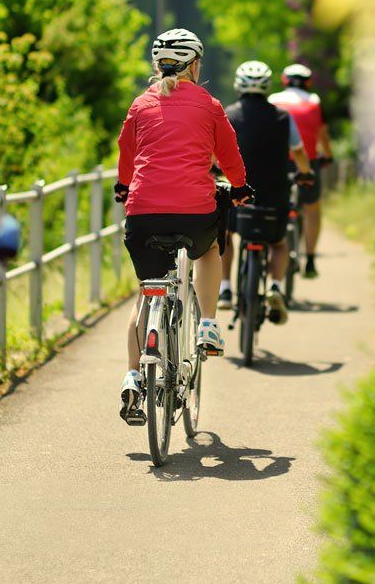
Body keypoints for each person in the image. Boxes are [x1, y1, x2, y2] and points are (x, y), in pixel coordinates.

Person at [113, 28, 252, 425]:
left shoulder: (141, 104)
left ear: (158, 66)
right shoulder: (209, 104)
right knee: (209, 250)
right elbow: (229, 155)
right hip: (194, 211)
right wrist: (240, 187)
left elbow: (127, 154)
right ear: (194, 65)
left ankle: (133, 375)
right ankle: (207, 324)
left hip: (143, 214)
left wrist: (124, 186)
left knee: (147, 292)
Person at [218, 61, 316, 321]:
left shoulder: (229, 115)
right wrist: (306, 173)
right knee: (279, 242)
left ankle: (225, 289)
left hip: (238, 192)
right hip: (274, 192)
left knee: (225, 235)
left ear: (238, 86)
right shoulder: (283, 117)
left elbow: (216, 151)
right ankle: (275, 286)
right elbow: (298, 152)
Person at [268, 63, 334, 278]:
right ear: (308, 82)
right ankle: (311, 259)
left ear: (285, 81)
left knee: (273, 204)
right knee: (312, 208)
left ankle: (269, 252)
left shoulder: (273, 100)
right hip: (306, 161)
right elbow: (322, 133)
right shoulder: (314, 101)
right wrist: (328, 155)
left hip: (278, 161)